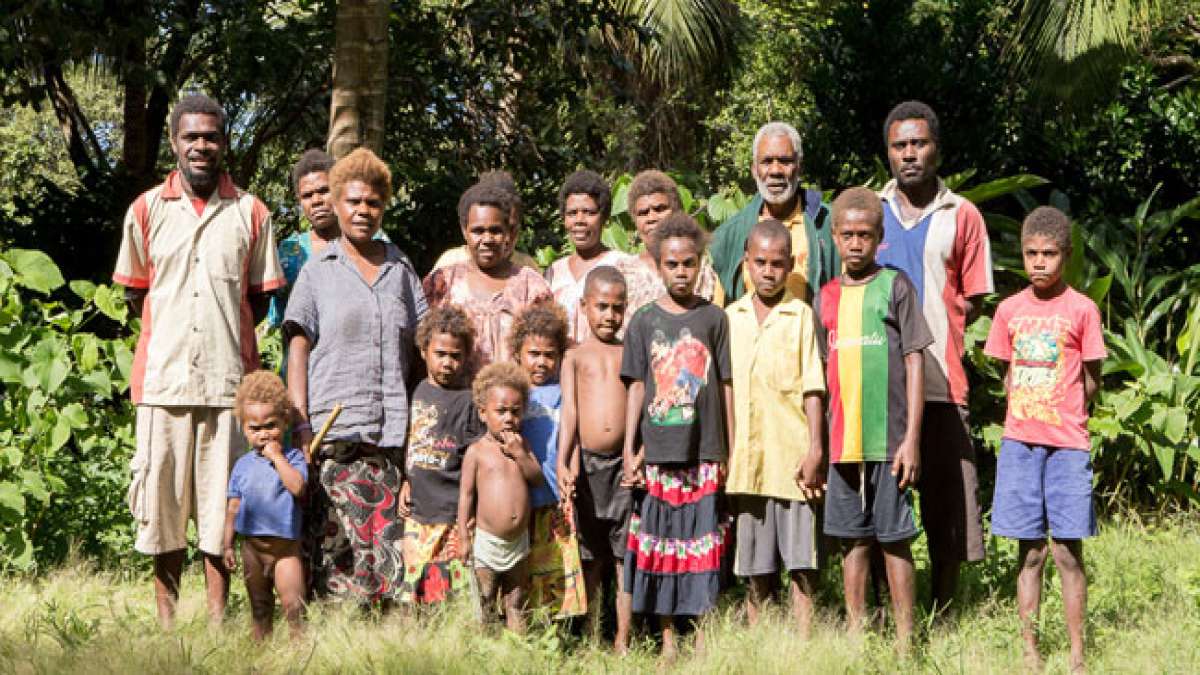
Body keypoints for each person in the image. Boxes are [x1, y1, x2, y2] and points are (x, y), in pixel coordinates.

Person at [113, 93, 285, 627]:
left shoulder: (251, 212)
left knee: (220, 509)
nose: (201, 146)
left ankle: (216, 621)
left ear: (224, 142)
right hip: (162, 384)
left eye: (211, 136)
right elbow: (137, 293)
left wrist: (219, 336)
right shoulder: (145, 209)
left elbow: (257, 299)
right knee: (162, 512)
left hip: (226, 386)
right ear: (174, 143)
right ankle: (166, 621)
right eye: (192, 137)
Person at [283, 147, 427, 605]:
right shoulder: (317, 271)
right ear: (338, 203)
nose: (362, 211)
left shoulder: (401, 268)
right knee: (335, 549)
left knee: (386, 554)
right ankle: (337, 629)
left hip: (388, 434)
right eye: (353, 201)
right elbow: (298, 346)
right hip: (334, 432)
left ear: (383, 206)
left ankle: (383, 630)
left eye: (373, 203)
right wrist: (301, 420)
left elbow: (421, 348)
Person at [875, 101, 993, 610]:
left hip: (943, 380)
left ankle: (945, 610)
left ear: (936, 149)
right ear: (888, 153)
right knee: (882, 501)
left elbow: (974, 294)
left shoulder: (961, 214)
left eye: (918, 144)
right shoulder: (868, 212)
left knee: (947, 501)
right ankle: (884, 609)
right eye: (899, 146)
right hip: (878, 384)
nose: (909, 154)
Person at [984, 206, 1104, 672]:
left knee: (1066, 552)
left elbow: (1091, 378)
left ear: (1066, 256)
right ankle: (1029, 650)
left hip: (1068, 446)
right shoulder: (1009, 311)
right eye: (1031, 253)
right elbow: (1007, 373)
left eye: (1049, 254)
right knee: (1029, 551)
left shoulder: (1082, 310)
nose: (1039, 262)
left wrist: (1065, 412)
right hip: (1019, 443)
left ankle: (1077, 653)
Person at [816, 187, 932, 651]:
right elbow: (819, 374)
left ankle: (906, 640)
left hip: (890, 441)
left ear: (880, 237)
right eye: (848, 235)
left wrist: (913, 439)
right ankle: (857, 635)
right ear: (836, 237)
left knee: (896, 540)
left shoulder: (896, 285)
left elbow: (915, 361)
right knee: (852, 542)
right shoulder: (825, 296)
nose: (856, 243)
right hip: (843, 441)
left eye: (865, 235)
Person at [621, 213, 733, 658]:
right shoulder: (644, 321)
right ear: (658, 265)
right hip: (658, 453)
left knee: (701, 546)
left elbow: (725, 385)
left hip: (703, 451)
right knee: (663, 546)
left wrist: (728, 447)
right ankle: (667, 639)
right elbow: (637, 387)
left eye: (689, 263)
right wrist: (632, 447)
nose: (681, 272)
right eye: (672, 264)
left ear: (700, 263)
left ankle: (702, 637)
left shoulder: (714, 319)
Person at [725, 219, 826, 636]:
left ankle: (803, 643)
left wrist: (816, 449)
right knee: (755, 565)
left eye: (777, 264)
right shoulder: (731, 318)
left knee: (801, 563)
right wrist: (730, 450)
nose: (768, 271)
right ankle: (761, 642)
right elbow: (726, 389)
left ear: (791, 265)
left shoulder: (800, 316)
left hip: (792, 459)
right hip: (748, 462)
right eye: (760, 262)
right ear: (746, 262)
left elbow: (812, 387)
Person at [558, 265, 635, 652]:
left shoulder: (630, 351)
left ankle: (623, 637)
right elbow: (569, 412)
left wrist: (637, 453)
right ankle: (589, 635)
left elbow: (641, 406)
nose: (609, 316)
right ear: (584, 305)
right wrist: (563, 461)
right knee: (590, 556)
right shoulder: (574, 356)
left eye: (617, 308)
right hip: (586, 466)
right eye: (601, 306)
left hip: (623, 469)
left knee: (624, 556)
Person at [397, 306, 482, 605]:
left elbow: (475, 460)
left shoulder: (469, 401)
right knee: (412, 590)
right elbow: (406, 444)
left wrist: (469, 514)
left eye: (455, 356)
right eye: (440, 354)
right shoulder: (413, 393)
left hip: (450, 513)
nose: (448, 363)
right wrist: (404, 482)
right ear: (423, 351)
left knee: (449, 592)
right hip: (417, 512)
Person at [423, 181, 553, 375]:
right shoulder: (442, 282)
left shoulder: (531, 286)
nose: (487, 239)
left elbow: (547, 349)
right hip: (455, 401)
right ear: (464, 231)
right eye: (478, 231)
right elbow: (423, 345)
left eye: (495, 231)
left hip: (512, 402)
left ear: (508, 233)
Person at [709, 122, 839, 313]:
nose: (776, 171)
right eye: (767, 161)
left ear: (799, 168)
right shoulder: (730, 236)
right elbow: (717, 314)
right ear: (754, 170)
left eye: (785, 161)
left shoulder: (828, 224)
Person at [510, 303, 587, 619]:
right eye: (533, 354)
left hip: (557, 497)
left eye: (549, 355)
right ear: (518, 353)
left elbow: (575, 438)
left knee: (557, 564)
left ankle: (559, 633)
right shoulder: (513, 394)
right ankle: (525, 625)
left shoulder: (562, 392)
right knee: (525, 567)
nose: (541, 362)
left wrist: (575, 474)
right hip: (522, 500)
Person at [457, 362, 545, 633]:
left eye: (515, 412)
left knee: (516, 600)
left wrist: (520, 454)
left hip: (517, 543)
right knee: (485, 598)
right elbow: (466, 495)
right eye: (501, 411)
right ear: (483, 413)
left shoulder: (522, 445)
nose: (509, 418)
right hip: (487, 542)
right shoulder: (477, 451)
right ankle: (484, 650)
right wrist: (463, 536)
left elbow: (537, 479)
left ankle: (516, 652)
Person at [222, 370, 307, 640]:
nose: (264, 435)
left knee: (294, 607)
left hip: (285, 553)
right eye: (254, 429)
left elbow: (297, 487)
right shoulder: (242, 465)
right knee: (259, 608)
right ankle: (260, 653)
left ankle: (300, 653)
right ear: (244, 429)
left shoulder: (293, 458)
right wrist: (226, 543)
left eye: (270, 425)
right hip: (253, 551)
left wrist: (277, 458)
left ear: (285, 421)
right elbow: (233, 507)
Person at [616, 170, 722, 318]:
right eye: (643, 213)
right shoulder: (624, 273)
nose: (651, 218)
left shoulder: (700, 270)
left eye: (659, 209)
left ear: (676, 211)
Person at [545, 170, 631, 343]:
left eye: (589, 212)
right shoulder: (554, 272)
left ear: (604, 217)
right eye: (572, 213)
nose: (579, 220)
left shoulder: (624, 266)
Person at [265, 149, 338, 329]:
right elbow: (277, 317)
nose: (316, 201)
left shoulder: (368, 243)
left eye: (324, 191)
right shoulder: (289, 251)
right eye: (307, 195)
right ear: (299, 201)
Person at [432, 170, 541, 273]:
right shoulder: (450, 264)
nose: (507, 238)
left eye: (511, 229)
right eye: (480, 230)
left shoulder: (527, 268)